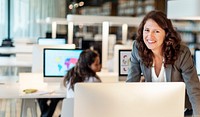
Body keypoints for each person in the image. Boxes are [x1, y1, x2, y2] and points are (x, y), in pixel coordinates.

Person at [127, 10, 200, 116]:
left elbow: (193, 89)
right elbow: (131, 84)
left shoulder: (181, 53)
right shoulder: (137, 48)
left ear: (166, 34)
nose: (149, 36)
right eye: (146, 30)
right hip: (153, 109)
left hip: (180, 110)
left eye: (156, 31)